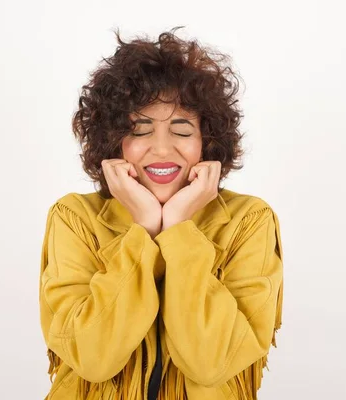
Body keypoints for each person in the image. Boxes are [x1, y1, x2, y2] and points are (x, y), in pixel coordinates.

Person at [39, 26, 284, 400]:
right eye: (140, 129)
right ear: (113, 140)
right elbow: (92, 358)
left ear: (208, 142)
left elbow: (212, 363)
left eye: (182, 129)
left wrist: (179, 230)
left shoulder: (248, 221)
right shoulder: (75, 218)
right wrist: (143, 228)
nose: (162, 148)